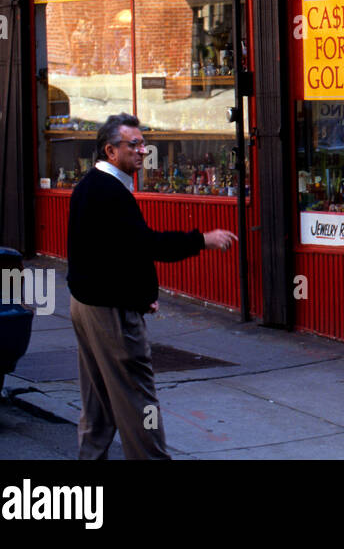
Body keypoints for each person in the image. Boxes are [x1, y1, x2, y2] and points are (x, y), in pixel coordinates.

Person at [67, 113, 237, 459]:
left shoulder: (89, 186)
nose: (143, 151)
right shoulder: (109, 191)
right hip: (109, 314)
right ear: (110, 150)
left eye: (144, 144)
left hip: (88, 305)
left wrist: (141, 295)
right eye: (135, 145)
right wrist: (202, 240)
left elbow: (113, 252)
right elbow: (145, 244)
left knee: (98, 399)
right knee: (137, 399)